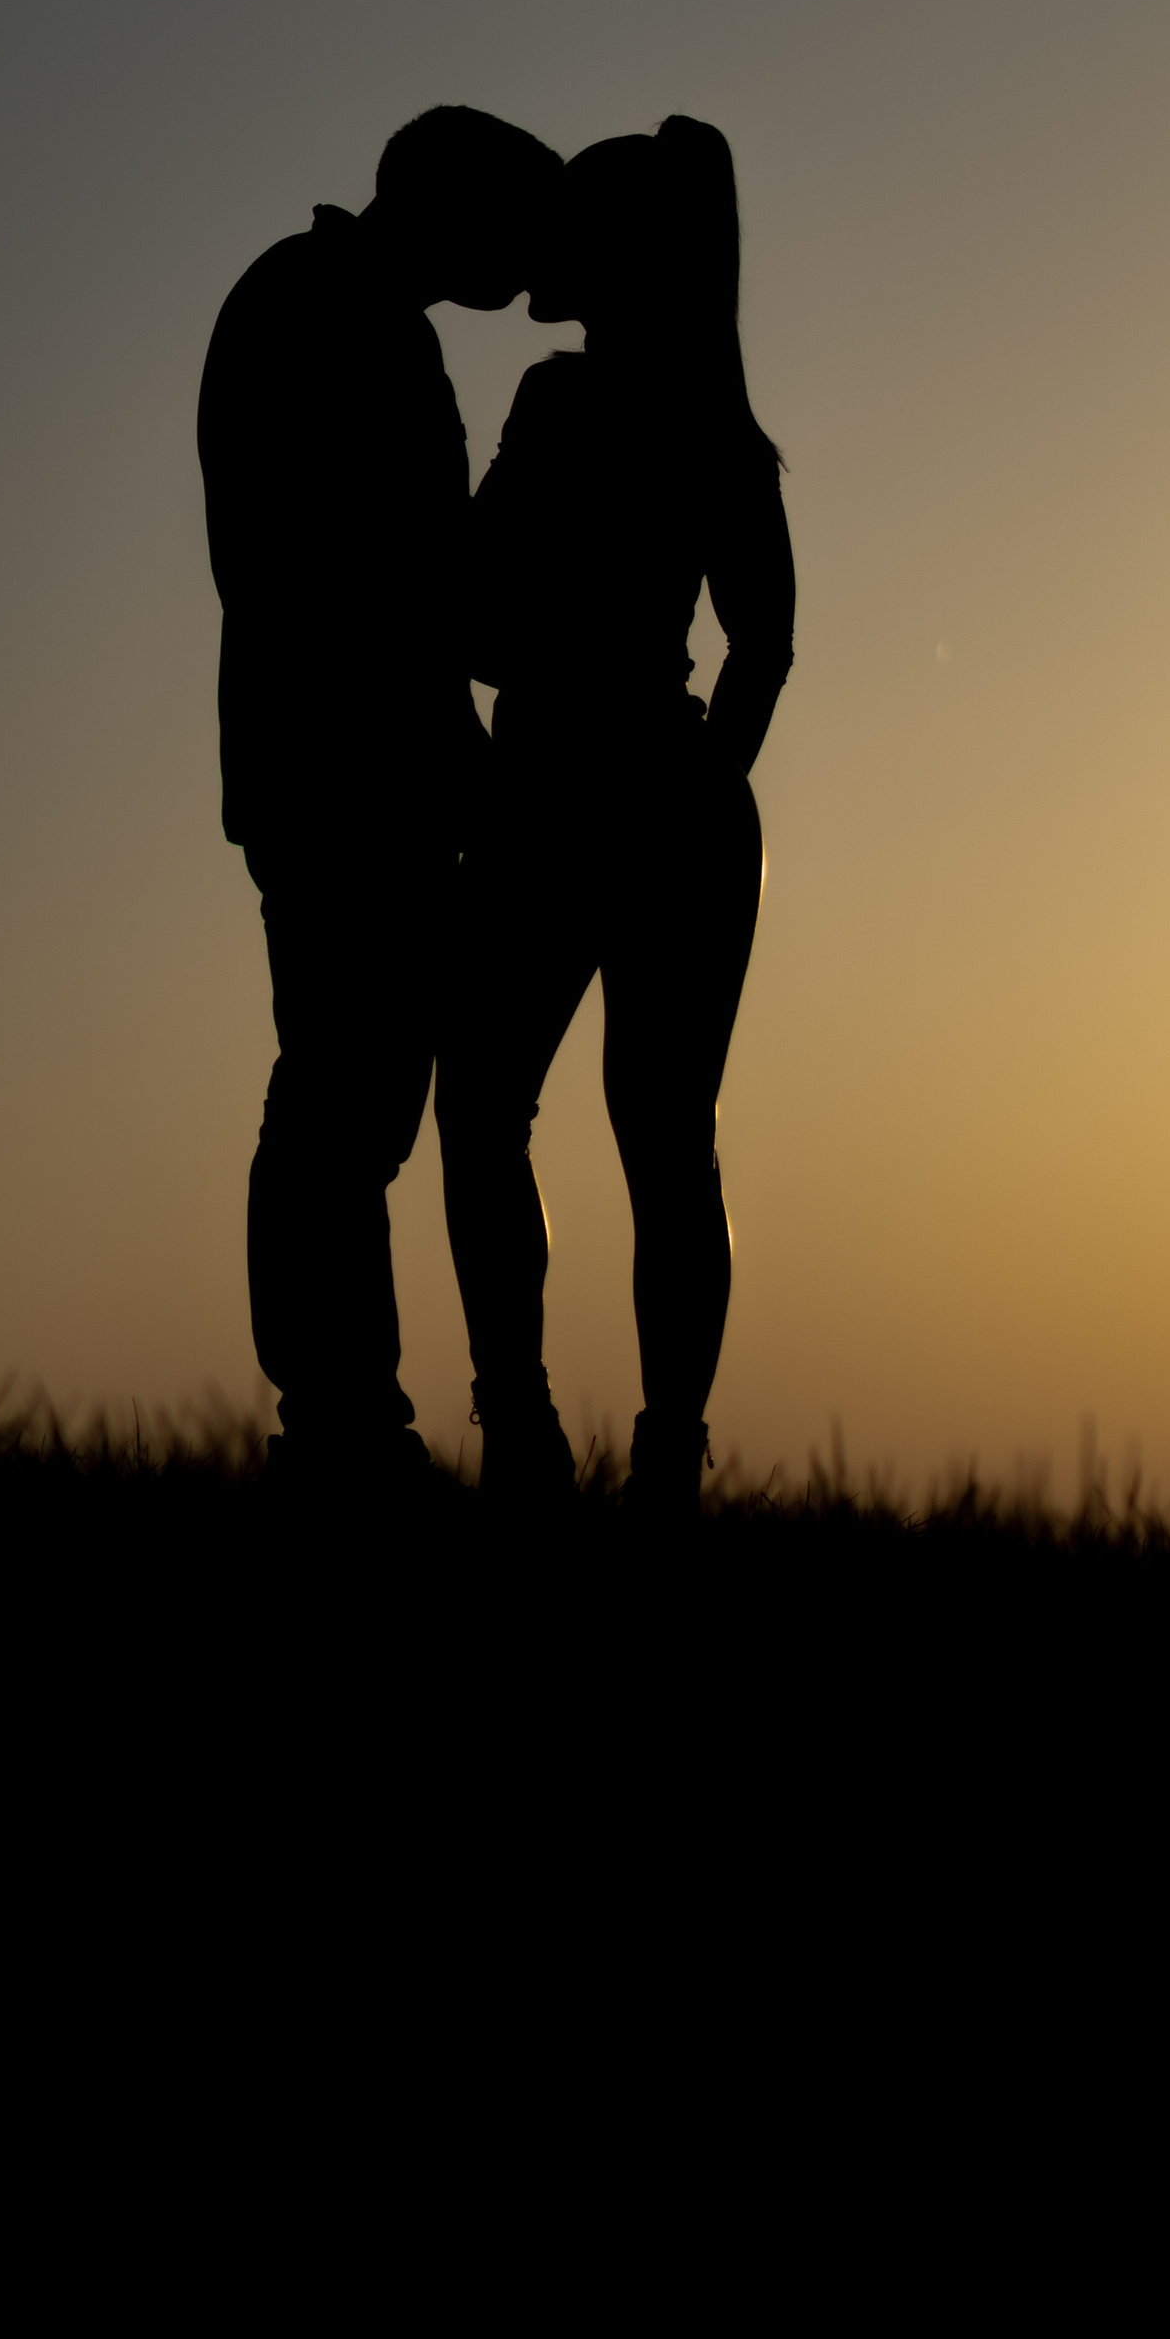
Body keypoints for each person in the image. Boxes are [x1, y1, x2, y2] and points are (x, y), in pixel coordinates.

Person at [198, 106, 564, 1480]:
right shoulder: (321, 313)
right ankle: (340, 1424)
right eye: (515, 237)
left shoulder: (351, 316)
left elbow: (412, 581)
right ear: (454, 212)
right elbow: (354, 574)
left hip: (363, 763)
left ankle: (346, 1416)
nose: (529, 273)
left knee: (358, 1098)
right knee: (342, 1098)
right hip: (337, 764)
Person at [437, 116, 795, 1515]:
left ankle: (524, 1426)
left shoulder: (559, 404)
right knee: (664, 1137)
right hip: (668, 794)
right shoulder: (720, 426)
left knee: (487, 1107)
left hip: (563, 791)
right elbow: (762, 645)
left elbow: (469, 597)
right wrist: (708, 778)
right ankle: (662, 1458)